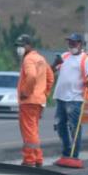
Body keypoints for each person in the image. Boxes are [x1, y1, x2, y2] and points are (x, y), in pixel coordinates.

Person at [52, 33, 88, 163]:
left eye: (74, 42)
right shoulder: (64, 56)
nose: (71, 44)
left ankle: (74, 155)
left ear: (80, 44)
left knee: (74, 127)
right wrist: (54, 64)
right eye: (69, 42)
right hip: (61, 97)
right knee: (60, 126)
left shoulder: (85, 59)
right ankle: (66, 152)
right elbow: (51, 70)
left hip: (75, 99)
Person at [15, 34, 54, 167]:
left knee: (28, 131)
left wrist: (26, 92)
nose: (19, 49)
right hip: (38, 101)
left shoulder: (29, 59)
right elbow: (50, 78)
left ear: (29, 46)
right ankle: (37, 159)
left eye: (21, 46)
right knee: (33, 130)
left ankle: (29, 159)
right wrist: (44, 94)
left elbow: (31, 76)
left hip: (29, 101)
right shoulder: (41, 59)